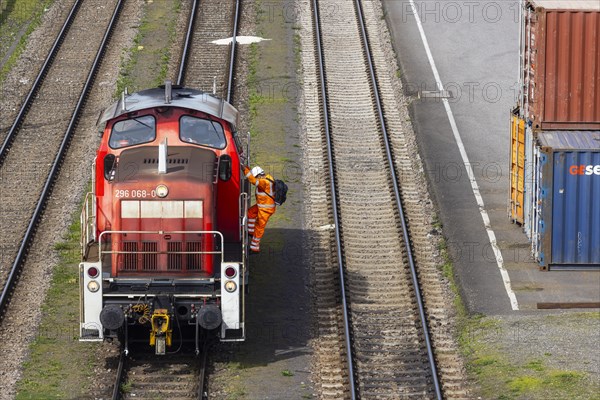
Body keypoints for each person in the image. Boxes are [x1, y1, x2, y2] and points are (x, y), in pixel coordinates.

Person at [243, 165, 276, 253]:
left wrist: (245, 170)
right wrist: (246, 168)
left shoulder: (263, 182)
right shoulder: (268, 178)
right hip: (262, 206)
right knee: (250, 213)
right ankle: (251, 232)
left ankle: (254, 248)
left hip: (265, 209)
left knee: (259, 227)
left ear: (258, 175)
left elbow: (253, 181)